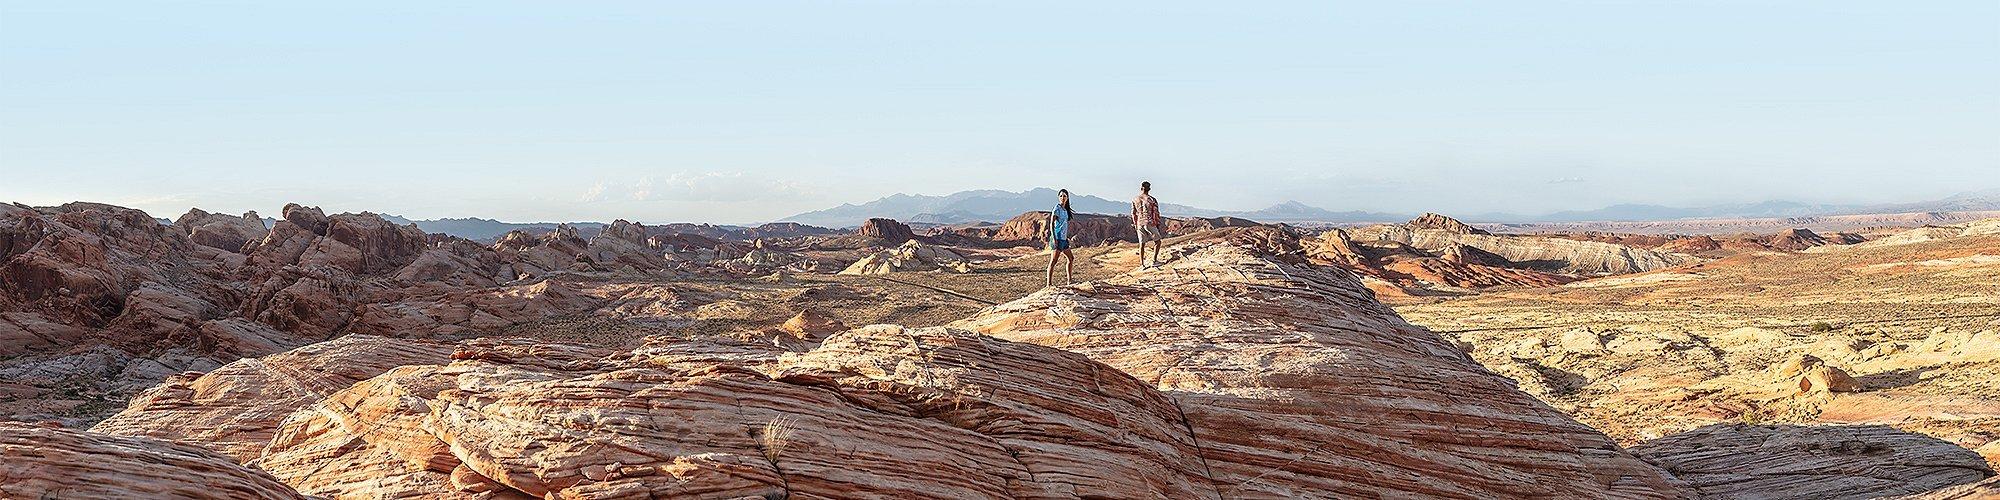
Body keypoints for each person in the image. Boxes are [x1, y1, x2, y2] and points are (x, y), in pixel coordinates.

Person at [1046, 189, 1076, 286]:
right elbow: (1051, 224)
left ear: (1067, 198)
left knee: (1071, 258)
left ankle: (1069, 280)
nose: (1063, 198)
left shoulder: (1065, 210)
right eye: (1061, 196)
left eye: (1065, 196)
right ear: (1058, 197)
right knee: (1053, 261)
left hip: (1063, 239)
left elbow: (1064, 224)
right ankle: (1049, 284)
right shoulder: (1057, 208)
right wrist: (1054, 238)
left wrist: (1066, 237)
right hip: (1057, 238)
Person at [1132, 181, 1164, 267]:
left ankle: (1142, 264)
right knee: (1158, 242)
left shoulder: (1135, 199)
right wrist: (1157, 223)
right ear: (1149, 189)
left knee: (1142, 244)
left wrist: (1135, 224)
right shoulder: (1151, 199)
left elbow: (1133, 213)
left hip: (1139, 223)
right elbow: (1156, 213)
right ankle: (1154, 261)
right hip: (1149, 222)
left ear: (1141, 188)